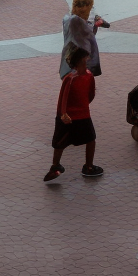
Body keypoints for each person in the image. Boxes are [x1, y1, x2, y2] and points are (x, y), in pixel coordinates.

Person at [43, 45, 103, 181]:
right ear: (77, 63)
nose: (85, 62)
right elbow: (63, 98)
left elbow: (90, 94)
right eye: (84, 60)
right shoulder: (70, 79)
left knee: (90, 139)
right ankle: (56, 165)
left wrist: (82, 106)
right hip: (69, 117)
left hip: (82, 114)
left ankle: (88, 165)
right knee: (60, 143)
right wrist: (63, 113)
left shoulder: (88, 76)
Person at [61, 0, 108, 78]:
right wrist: (95, 24)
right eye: (90, 7)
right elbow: (89, 33)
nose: (91, 10)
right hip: (79, 55)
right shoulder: (76, 20)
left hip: (72, 53)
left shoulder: (68, 18)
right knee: (79, 77)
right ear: (85, 7)